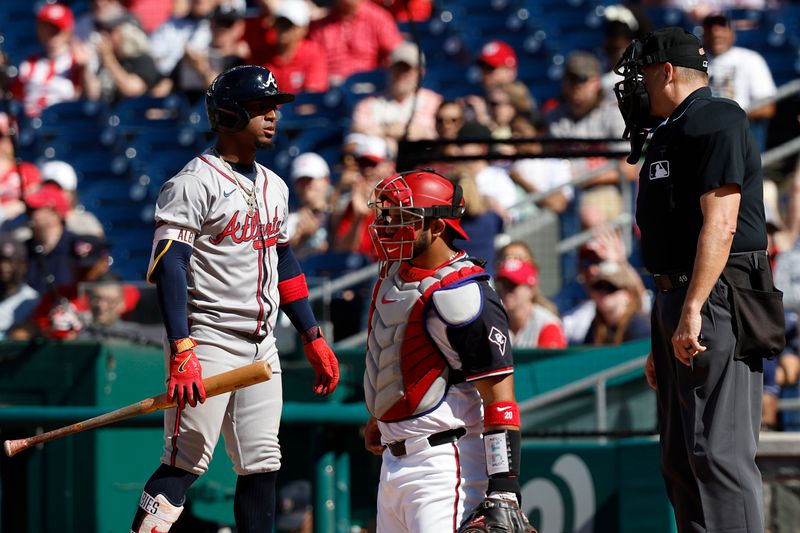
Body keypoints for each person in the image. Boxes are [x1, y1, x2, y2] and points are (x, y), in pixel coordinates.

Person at [130, 65, 340, 533]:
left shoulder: (275, 184)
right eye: (261, 107)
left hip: (262, 342)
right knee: (185, 461)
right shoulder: (192, 182)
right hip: (207, 338)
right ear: (228, 114)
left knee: (262, 462)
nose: (272, 116)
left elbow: (285, 263)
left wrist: (312, 334)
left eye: (274, 107)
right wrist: (182, 348)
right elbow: (170, 266)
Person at [616, 27, 781, 531]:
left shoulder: (717, 116)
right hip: (677, 294)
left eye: (642, 73)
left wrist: (692, 308)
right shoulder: (671, 128)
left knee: (718, 455)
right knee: (682, 458)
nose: (636, 86)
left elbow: (722, 222)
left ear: (667, 71)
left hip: (717, 295)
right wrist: (663, 330)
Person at [363, 169, 535, 532]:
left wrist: (504, 487)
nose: (388, 227)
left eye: (403, 219)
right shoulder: (392, 276)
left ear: (438, 227)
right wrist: (380, 418)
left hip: (444, 463)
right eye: (387, 217)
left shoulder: (464, 292)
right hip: (393, 465)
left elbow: (500, 399)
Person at [702, 11, 777, 149]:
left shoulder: (750, 59)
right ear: (704, 34)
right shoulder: (696, 60)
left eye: (722, 27)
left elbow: (767, 108)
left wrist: (729, 118)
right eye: (710, 28)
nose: (716, 33)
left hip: (741, 128)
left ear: (733, 33)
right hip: (703, 129)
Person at [350, 41, 442, 151]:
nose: (401, 75)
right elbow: (356, 135)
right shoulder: (368, 104)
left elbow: (444, 136)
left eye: (407, 69)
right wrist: (388, 131)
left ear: (420, 72)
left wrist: (421, 133)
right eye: (398, 68)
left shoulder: (435, 103)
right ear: (389, 69)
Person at [13, 3, 87, 117]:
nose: (50, 33)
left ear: (67, 31)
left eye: (56, 29)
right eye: (46, 27)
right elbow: (16, 96)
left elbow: (86, 99)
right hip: (30, 124)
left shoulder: (77, 62)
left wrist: (84, 70)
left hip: (62, 124)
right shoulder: (29, 63)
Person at [309, 0, 403, 86]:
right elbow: (312, 63)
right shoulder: (321, 25)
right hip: (330, 87)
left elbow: (397, 53)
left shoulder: (377, 18)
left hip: (367, 85)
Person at [255, 0, 329, 94]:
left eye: (289, 25)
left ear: (304, 29)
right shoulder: (261, 53)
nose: (283, 29)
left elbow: (312, 97)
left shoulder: (314, 54)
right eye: (280, 23)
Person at [494, 257, 567, 349]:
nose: (505, 292)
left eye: (512, 285)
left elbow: (551, 362)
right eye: (502, 285)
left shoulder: (547, 325)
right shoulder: (495, 321)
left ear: (531, 289)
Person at [39, 159, 105, 237]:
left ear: (70, 193)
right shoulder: (34, 223)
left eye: (57, 188)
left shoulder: (86, 223)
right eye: (47, 188)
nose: (51, 194)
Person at [286, 152, 332, 259]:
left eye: (311, 179)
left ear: (326, 180)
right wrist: (302, 238)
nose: (307, 186)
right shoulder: (290, 221)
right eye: (301, 181)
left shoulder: (339, 211)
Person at [0, 233, 39, 339]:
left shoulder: (32, 300)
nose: (4, 267)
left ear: (23, 265)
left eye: (11, 262)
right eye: (0, 261)